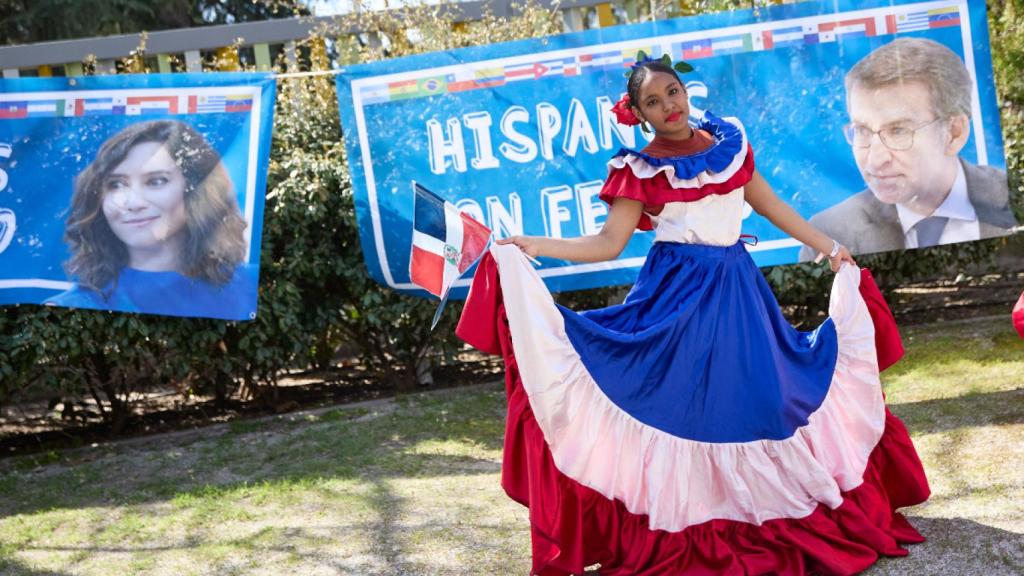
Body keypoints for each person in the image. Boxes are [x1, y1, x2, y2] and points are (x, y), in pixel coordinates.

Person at [455, 53, 930, 575]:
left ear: (686, 91)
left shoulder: (729, 147)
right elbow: (608, 244)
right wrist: (532, 245)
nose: (668, 107)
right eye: (653, 103)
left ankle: (770, 508)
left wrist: (829, 246)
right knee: (684, 412)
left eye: (672, 93)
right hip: (675, 303)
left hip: (737, 295)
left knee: (763, 405)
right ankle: (693, 520)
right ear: (639, 114)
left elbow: (773, 207)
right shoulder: (639, 168)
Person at [800, 37, 1017, 261]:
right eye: (862, 130)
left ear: (954, 133)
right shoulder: (827, 234)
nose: (875, 160)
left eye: (898, 131)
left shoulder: (1013, 196)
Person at [46, 120, 256, 320]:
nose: (133, 203)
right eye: (116, 184)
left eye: (156, 181)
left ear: (195, 190)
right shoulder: (71, 307)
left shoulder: (254, 287)